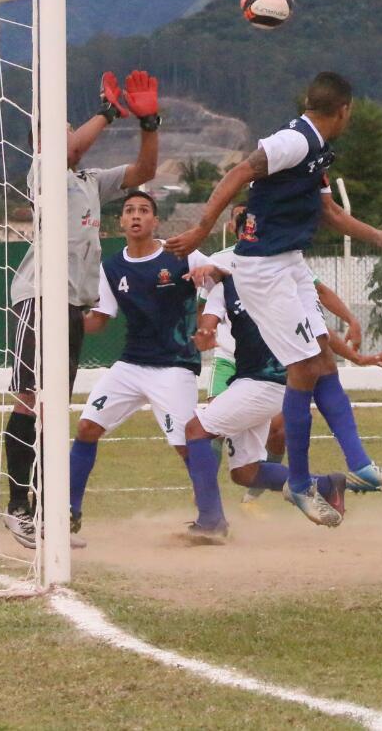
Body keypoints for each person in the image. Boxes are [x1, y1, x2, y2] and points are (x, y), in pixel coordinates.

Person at [166, 72, 382, 527]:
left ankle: (359, 465)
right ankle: (299, 484)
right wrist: (201, 228)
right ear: (345, 110)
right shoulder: (295, 141)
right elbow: (241, 170)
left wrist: (378, 236)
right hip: (263, 268)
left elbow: (329, 211)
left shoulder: (315, 151)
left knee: (323, 363)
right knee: (303, 369)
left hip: (290, 261)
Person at [1, 70, 161, 549]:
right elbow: (67, 152)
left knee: (54, 407)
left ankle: (47, 512)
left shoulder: (88, 179)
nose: (74, 134)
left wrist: (149, 123)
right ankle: (17, 507)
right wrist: (109, 111)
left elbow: (144, 173)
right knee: (30, 399)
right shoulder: (43, 170)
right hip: (38, 296)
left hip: (71, 302)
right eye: (64, 128)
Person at [188, 252, 382, 525]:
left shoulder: (282, 280)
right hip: (245, 380)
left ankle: (210, 523)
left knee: (196, 430)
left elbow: (318, 330)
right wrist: (204, 336)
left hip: (269, 382)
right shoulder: (226, 286)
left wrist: (357, 358)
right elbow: (207, 324)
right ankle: (327, 485)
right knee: (244, 472)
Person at [68, 191, 225, 545]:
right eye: (129, 211)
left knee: (187, 443)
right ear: (120, 222)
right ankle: (69, 512)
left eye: (144, 211)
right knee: (87, 427)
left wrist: (211, 277)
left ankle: (213, 519)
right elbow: (99, 320)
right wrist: (65, 320)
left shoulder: (181, 253)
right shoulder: (111, 268)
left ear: (156, 221)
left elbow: (223, 279)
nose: (136, 216)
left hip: (174, 366)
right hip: (131, 364)